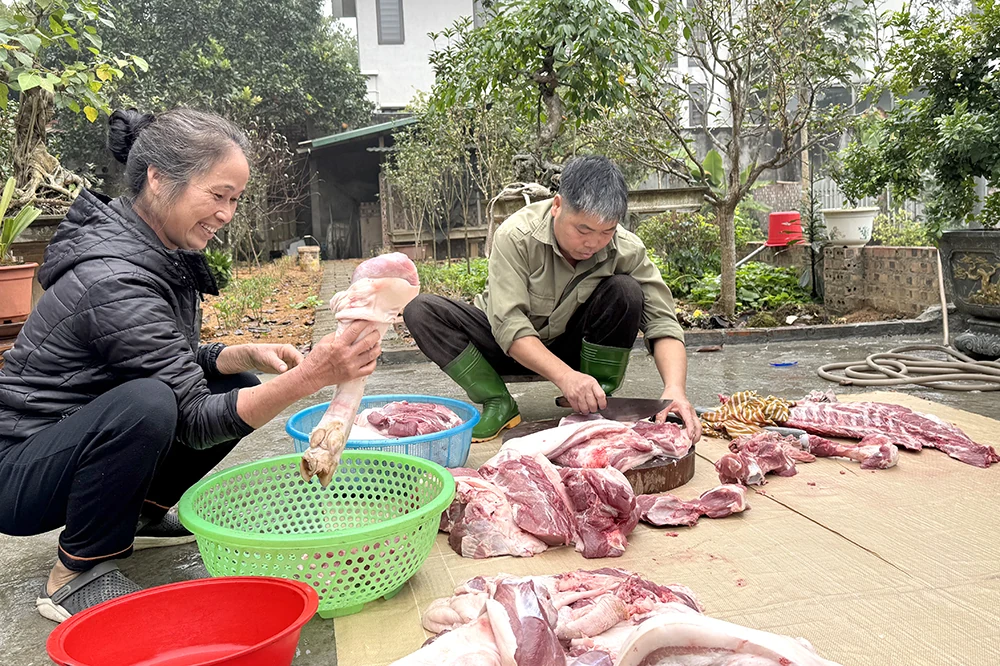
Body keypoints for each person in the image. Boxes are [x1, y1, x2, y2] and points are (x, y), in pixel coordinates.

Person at [0, 108, 383, 622]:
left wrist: (237, 354)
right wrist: (313, 373)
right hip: (19, 473)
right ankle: (76, 572)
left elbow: (163, 362)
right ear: (158, 180)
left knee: (231, 381)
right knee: (150, 406)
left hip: (70, 439)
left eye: (235, 200)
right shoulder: (113, 278)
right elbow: (193, 418)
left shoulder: (148, 249)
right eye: (218, 195)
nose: (227, 213)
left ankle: (142, 515)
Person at [403, 155, 702, 443]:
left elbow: (663, 321)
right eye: (582, 229)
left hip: (571, 349)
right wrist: (564, 377)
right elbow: (510, 325)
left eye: (606, 232)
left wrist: (675, 389)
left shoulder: (626, 248)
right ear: (558, 205)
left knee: (626, 290)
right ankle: (498, 401)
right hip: (502, 347)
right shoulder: (516, 235)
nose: (592, 243)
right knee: (421, 310)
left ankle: (595, 401)